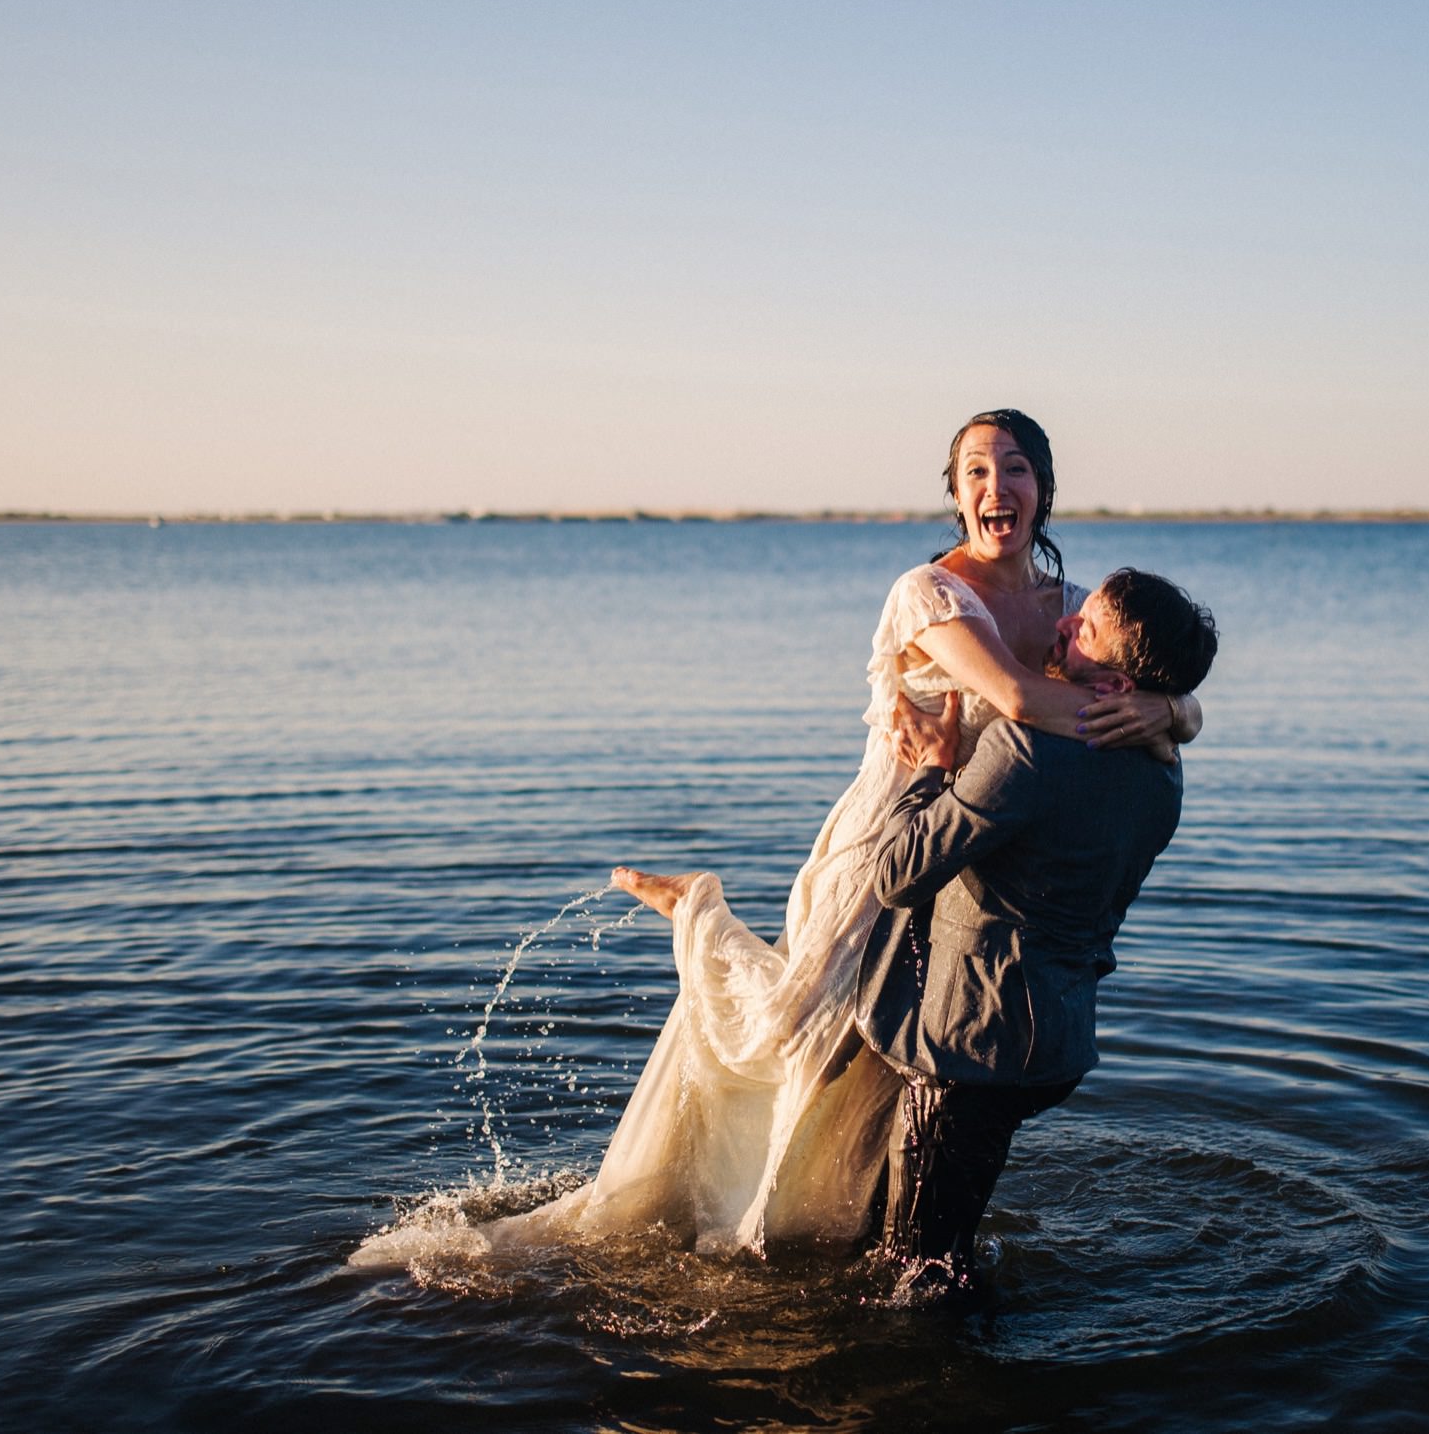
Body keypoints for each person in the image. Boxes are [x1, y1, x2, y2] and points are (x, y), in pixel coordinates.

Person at [483, 410, 1201, 1257]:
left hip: (979, 855)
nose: (995, 487)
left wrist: (1172, 703)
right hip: (892, 835)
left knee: (901, 1070)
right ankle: (697, 917)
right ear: (958, 494)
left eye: (1014, 469)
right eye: (974, 471)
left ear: (1042, 490)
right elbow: (1012, 700)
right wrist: (1165, 714)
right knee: (803, 1029)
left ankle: (864, 1232)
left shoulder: (1077, 610)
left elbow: (1143, 671)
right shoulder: (927, 593)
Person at [855, 567, 1218, 1301]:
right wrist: (1177, 711)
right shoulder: (1166, 774)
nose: (1062, 625)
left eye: (1083, 630)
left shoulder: (1025, 753)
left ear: (1116, 689)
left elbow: (896, 874)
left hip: (970, 1051)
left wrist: (930, 770)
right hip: (1056, 1043)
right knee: (948, 1244)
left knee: (914, 1279)